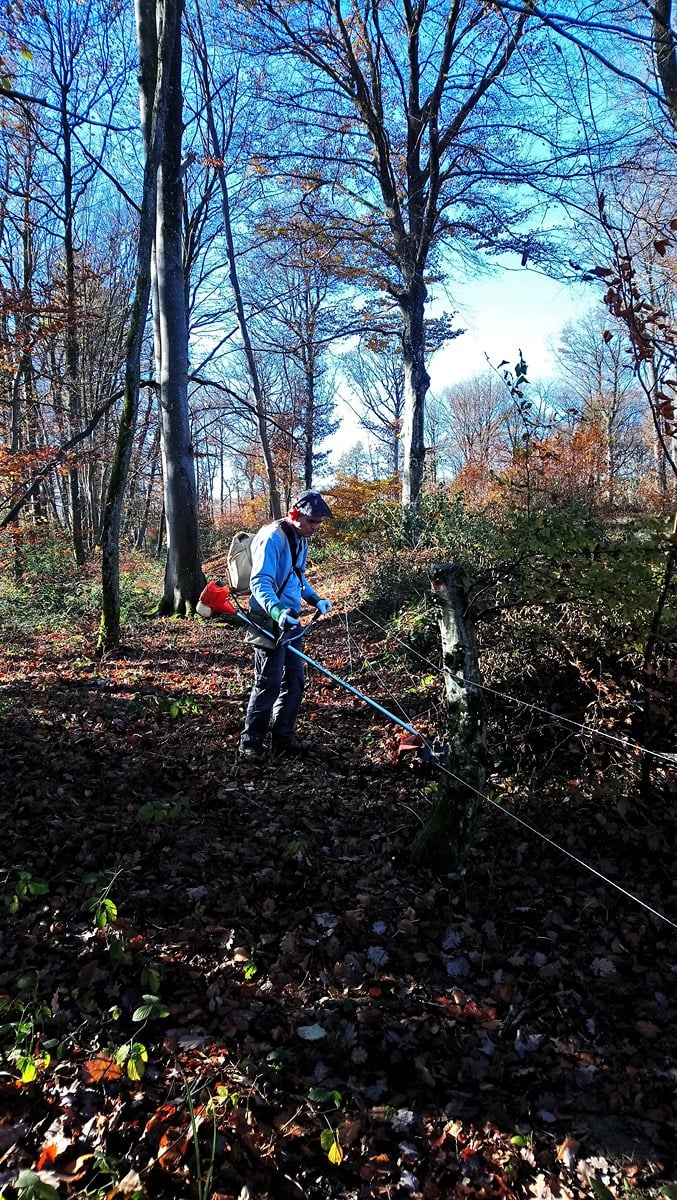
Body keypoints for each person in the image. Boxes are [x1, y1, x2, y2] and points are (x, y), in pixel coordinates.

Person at [238, 490, 333, 762]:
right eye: (311, 521)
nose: (315, 527)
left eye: (318, 523)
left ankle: (283, 738)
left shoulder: (300, 538)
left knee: (294, 680)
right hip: (268, 618)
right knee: (268, 681)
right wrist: (277, 611)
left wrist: (315, 599)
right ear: (295, 514)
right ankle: (250, 743)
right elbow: (260, 582)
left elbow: (298, 578)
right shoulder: (272, 537)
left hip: (291, 619)